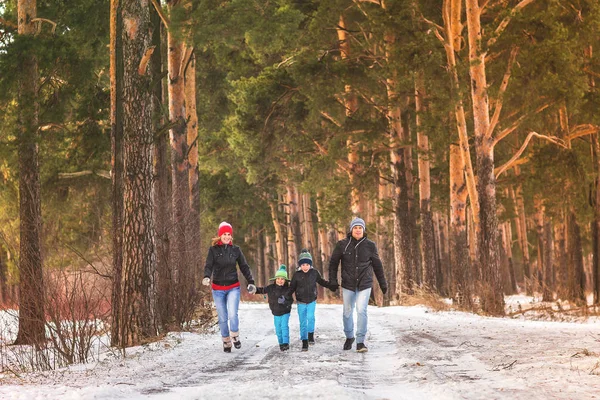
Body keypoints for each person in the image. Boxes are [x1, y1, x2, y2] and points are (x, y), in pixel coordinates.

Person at [328, 217, 387, 353]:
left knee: (361, 310)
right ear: (351, 229)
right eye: (355, 227)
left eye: (360, 227)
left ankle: (360, 341)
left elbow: (378, 266)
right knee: (347, 312)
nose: (358, 230)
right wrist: (332, 280)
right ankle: (349, 336)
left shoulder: (370, 245)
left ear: (363, 230)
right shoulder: (342, 244)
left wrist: (382, 283)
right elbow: (333, 264)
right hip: (348, 284)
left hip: (364, 284)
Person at [203, 221, 256, 353]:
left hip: (233, 286)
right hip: (218, 288)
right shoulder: (213, 250)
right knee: (222, 317)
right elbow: (208, 265)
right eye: (224, 234)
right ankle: (226, 340)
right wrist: (206, 276)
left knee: (233, 314)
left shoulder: (236, 250)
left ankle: (235, 335)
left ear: (231, 236)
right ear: (220, 236)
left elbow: (244, 266)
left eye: (229, 234)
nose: (227, 236)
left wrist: (251, 281)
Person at [289, 248, 334, 351]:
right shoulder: (296, 275)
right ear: (300, 265)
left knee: (311, 318)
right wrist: (287, 296)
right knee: (303, 321)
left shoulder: (314, 273)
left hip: (311, 300)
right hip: (300, 301)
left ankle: (310, 335)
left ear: (310, 264)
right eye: (303, 265)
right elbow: (291, 288)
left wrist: (330, 285)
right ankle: (304, 341)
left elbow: (321, 282)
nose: (305, 267)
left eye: (307, 264)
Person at [252, 265, 293, 351]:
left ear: (285, 280)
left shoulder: (288, 289)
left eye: (282, 279)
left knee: (284, 326)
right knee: (278, 329)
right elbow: (262, 290)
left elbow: (290, 301)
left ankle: (286, 343)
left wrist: (284, 301)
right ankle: (281, 343)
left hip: (285, 311)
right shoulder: (271, 288)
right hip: (275, 312)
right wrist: (254, 289)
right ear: (275, 279)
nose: (280, 281)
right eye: (278, 278)